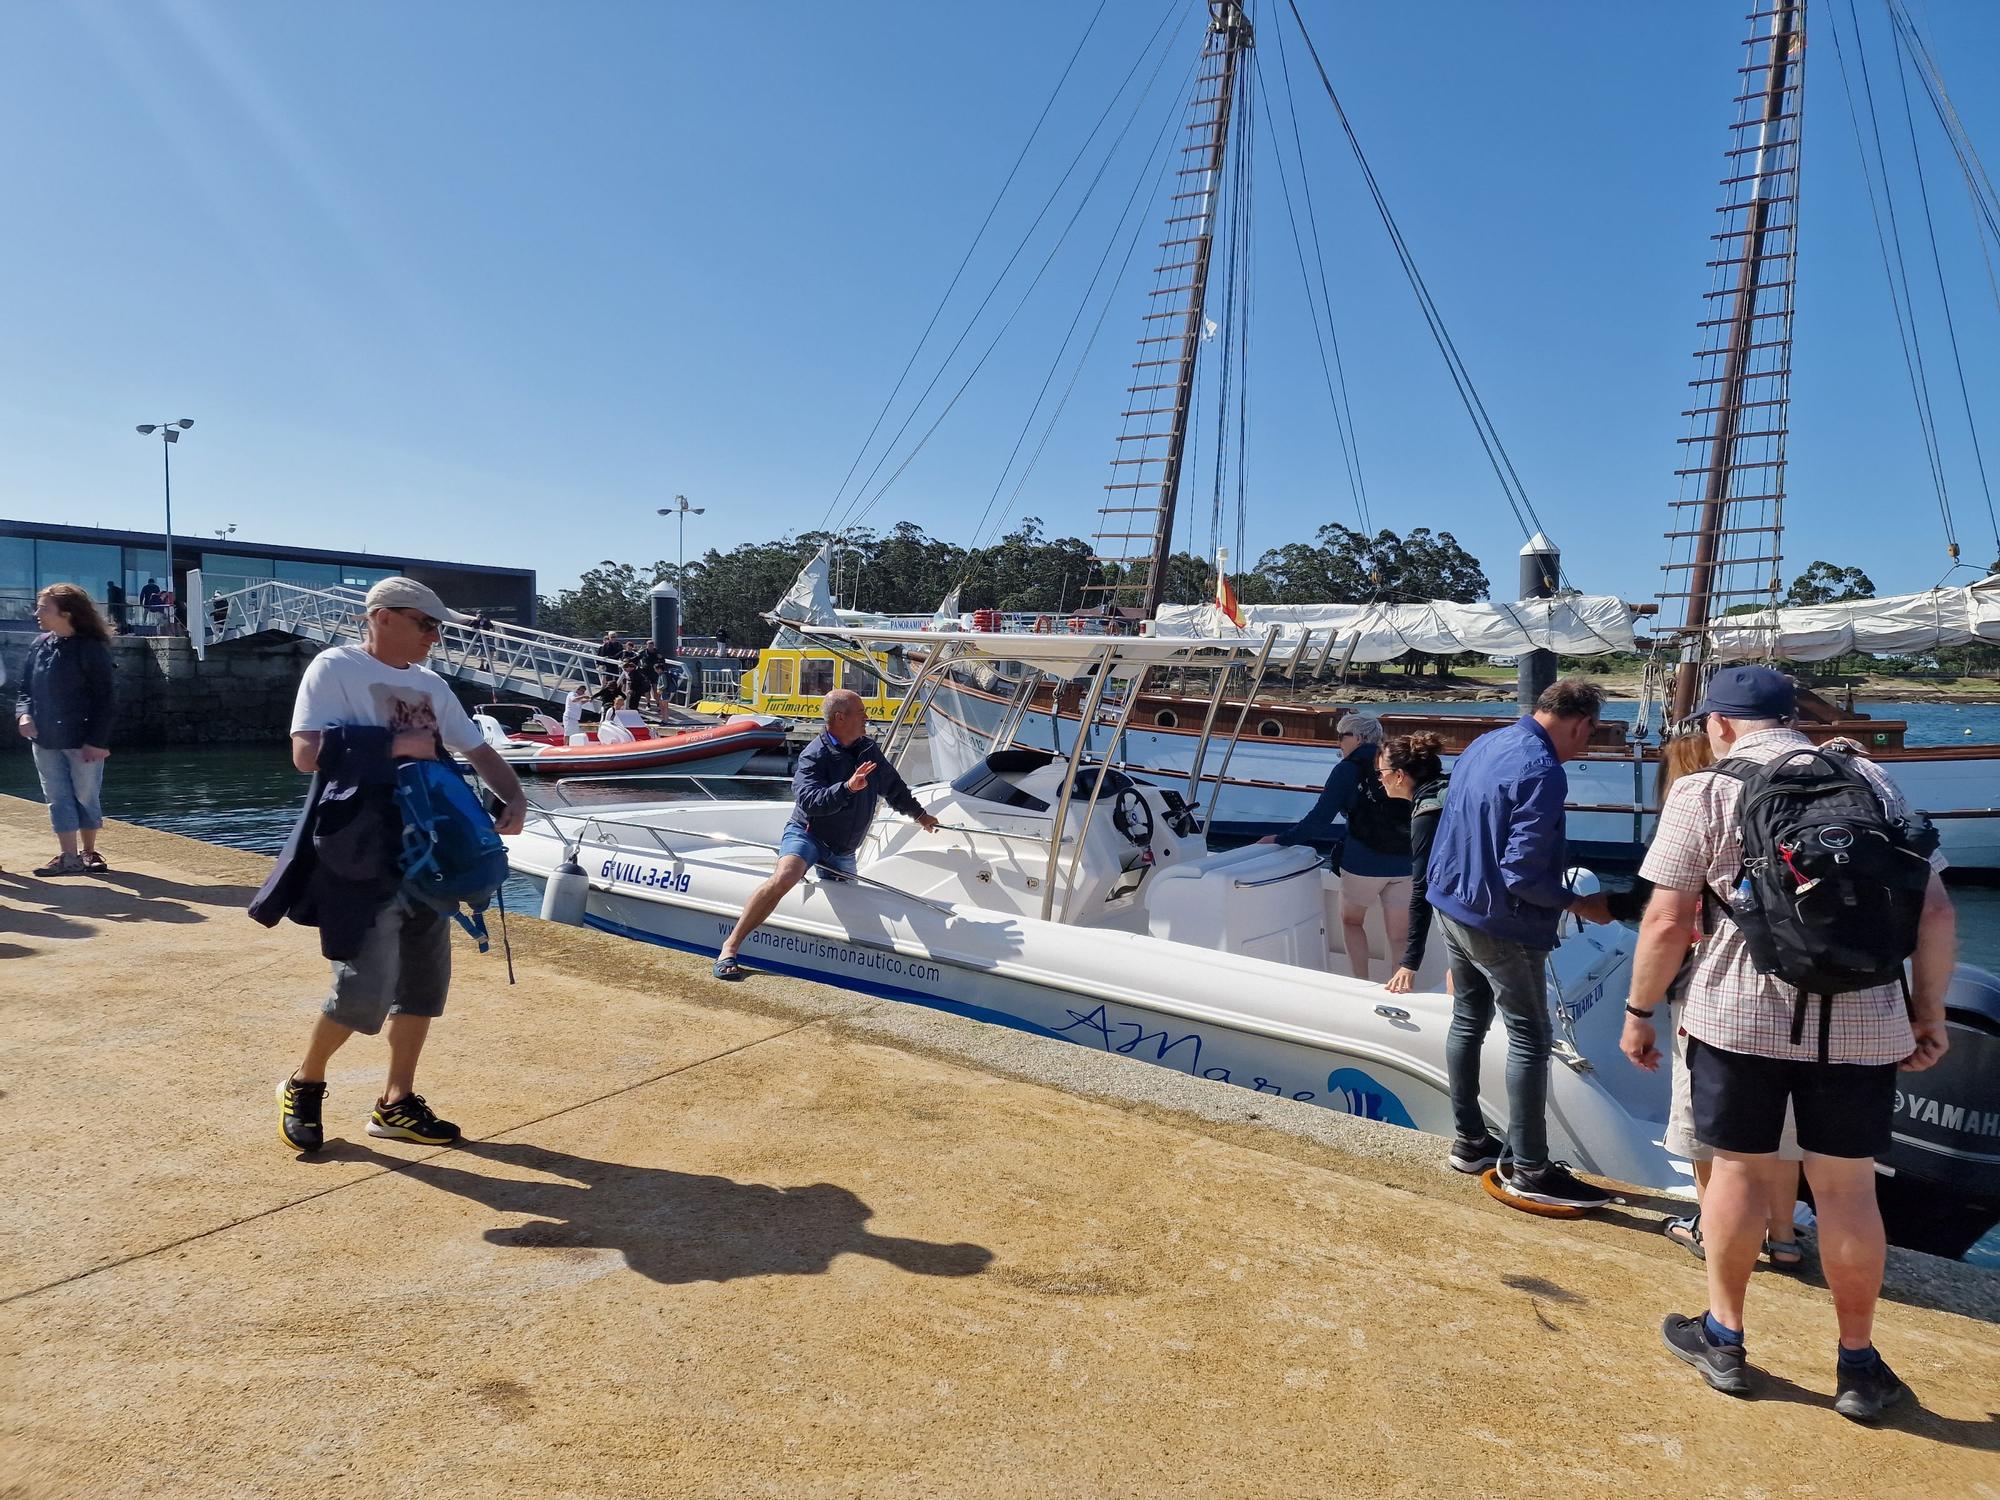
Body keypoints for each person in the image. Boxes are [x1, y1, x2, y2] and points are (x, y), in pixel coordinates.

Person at [1620, 667, 1954, 1419]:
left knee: (1737, 1170)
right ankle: (1859, 1367)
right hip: (1864, 1020)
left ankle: (1725, 1339)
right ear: (1792, 718)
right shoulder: (1872, 780)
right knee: (1846, 1190)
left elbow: (1668, 921)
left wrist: (1641, 1009)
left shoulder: (1703, 791)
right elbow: (1933, 914)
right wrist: (1926, 1015)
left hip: (1737, 1015)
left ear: (1721, 724)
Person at [268, 577, 528, 1155]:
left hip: (432, 854)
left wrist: (513, 795)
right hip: (364, 851)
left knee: (423, 985)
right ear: (382, 617)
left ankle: (396, 1103)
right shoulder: (334, 669)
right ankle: (304, 1082)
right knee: (363, 987)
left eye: (438, 628)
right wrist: (395, 746)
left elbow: (476, 748)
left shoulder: (433, 684)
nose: (435, 637)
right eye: (426, 624)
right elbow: (306, 754)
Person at [1425, 677, 1613, 1210]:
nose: (1583, 747)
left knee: (1468, 1017)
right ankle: (1530, 1166)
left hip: (1450, 899)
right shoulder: (1545, 772)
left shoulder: (1488, 741)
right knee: (1530, 1035)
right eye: (1588, 736)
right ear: (1580, 723)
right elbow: (1522, 873)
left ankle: (1470, 1141)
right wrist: (1579, 904)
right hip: (1499, 920)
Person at [711, 688, 940, 979]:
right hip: (808, 833)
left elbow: (892, 786)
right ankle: (730, 946)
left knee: (852, 904)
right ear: (840, 718)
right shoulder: (813, 755)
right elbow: (808, 801)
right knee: (786, 875)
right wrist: (847, 788)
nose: (866, 718)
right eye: (861, 713)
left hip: (843, 847)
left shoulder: (867, 749)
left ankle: (845, 965)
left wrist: (920, 815)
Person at [1259, 710, 1412, 982]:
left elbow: (1319, 820)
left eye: (1343, 736)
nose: (1338, 743)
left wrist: (1281, 839)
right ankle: (1401, 990)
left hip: (1364, 861)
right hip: (1405, 862)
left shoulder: (1347, 770)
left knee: (1352, 922)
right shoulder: (1398, 764)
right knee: (1399, 936)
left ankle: (1360, 984)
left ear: (1359, 737)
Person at [14, 585, 116, 876]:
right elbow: (25, 689)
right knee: (56, 796)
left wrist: (97, 741)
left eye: (44, 608)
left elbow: (106, 698)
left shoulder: (91, 649)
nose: (37, 613)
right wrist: (24, 715)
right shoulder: (39, 644)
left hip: (82, 739)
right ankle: (68, 856)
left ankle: (89, 852)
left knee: (85, 795)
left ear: (66, 613)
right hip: (45, 739)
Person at [1380, 732, 1447, 996]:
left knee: (1460, 974)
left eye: (1381, 771)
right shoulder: (1445, 788)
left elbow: (1421, 889)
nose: (1379, 777)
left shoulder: (1427, 815)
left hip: (1472, 910)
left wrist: (1409, 963)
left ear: (1399, 775)